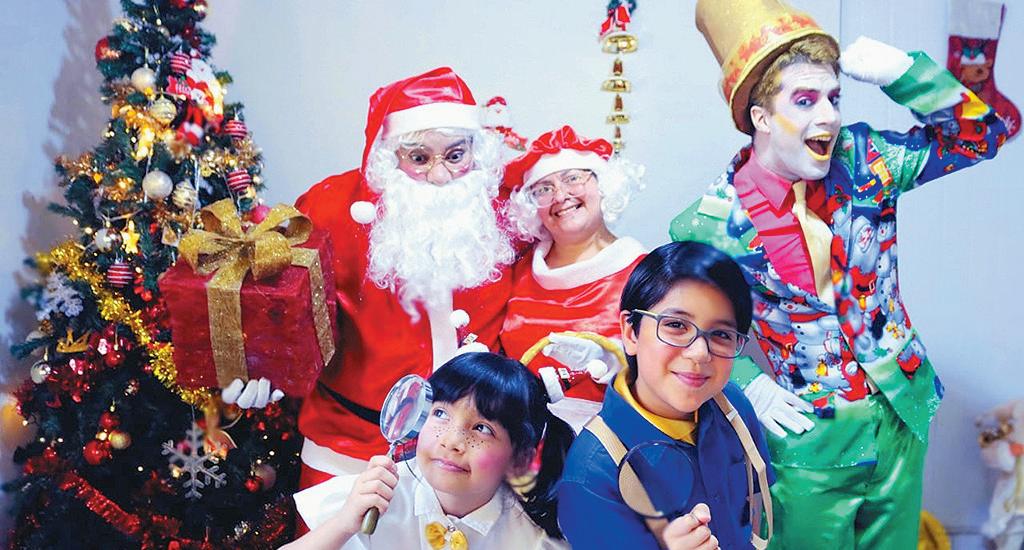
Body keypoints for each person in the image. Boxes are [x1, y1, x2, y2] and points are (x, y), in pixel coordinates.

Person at [670, 1, 1008, 547]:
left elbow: (981, 138)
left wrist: (908, 74)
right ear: (760, 117)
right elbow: (686, 327)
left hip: (902, 411)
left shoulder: (866, 159)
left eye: (834, 98)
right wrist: (748, 384)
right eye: (805, 100)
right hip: (810, 438)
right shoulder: (707, 226)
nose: (827, 116)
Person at [292, 68, 517, 490]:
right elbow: (283, 301)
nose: (440, 175)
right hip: (350, 449)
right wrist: (260, 367)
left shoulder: (504, 210)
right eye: (419, 158)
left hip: (472, 453)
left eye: (455, 156)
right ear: (390, 156)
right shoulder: (331, 210)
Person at [559, 241, 774, 550]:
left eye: (721, 334)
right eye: (675, 325)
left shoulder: (732, 405)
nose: (700, 353)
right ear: (631, 332)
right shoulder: (591, 478)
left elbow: (755, 507)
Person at [284, 352, 574, 550]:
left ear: (520, 458)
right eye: (440, 414)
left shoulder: (530, 539)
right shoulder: (375, 497)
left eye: (482, 428)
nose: (451, 441)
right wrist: (343, 524)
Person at [500, 125, 645, 431]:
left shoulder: (645, 272)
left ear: (603, 184)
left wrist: (613, 362)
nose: (561, 196)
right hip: (521, 440)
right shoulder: (518, 270)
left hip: (611, 440)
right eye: (543, 189)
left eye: (573, 178)